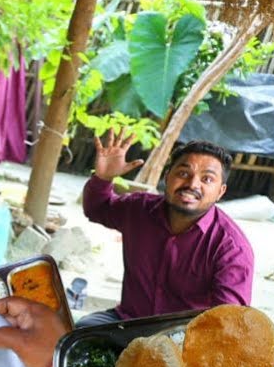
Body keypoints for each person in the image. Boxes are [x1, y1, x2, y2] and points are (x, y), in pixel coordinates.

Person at [78, 132, 252, 326]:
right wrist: (103, 178)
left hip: (184, 341)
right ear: (167, 177)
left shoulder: (231, 248)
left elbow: (228, 321)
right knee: (78, 333)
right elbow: (97, 209)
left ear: (221, 192)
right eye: (183, 173)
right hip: (129, 322)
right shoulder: (139, 209)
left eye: (207, 179)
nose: (192, 184)